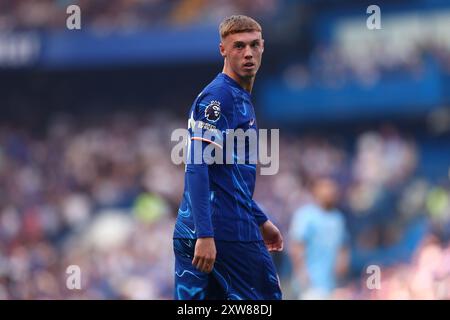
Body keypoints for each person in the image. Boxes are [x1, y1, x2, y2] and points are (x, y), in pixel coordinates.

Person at [173, 15, 283, 300]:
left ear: (263, 47)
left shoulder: (238, 97)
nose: (248, 53)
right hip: (223, 234)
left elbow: (225, 172)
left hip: (210, 229)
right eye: (238, 46)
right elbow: (196, 165)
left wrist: (259, 218)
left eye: (254, 45)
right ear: (223, 49)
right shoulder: (220, 97)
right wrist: (206, 235)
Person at [289, 178, 349, 299]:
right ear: (316, 191)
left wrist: (343, 262)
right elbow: (297, 245)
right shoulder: (306, 215)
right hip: (311, 283)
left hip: (331, 283)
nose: (329, 192)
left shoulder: (338, 218)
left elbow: (343, 245)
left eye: (332, 189)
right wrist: (302, 273)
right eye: (325, 188)